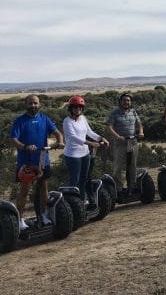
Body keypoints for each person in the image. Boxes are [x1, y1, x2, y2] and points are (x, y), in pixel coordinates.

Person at [10, 94, 65, 231]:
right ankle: (20, 220)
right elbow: (14, 140)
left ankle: (44, 215)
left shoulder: (44, 119)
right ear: (26, 104)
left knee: (43, 189)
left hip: (42, 160)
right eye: (30, 103)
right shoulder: (20, 121)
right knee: (25, 190)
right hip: (26, 163)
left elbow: (57, 133)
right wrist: (25, 147)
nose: (33, 105)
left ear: (39, 104)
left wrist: (60, 142)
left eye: (35, 103)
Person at [63, 96, 109, 203]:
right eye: (75, 107)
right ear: (70, 108)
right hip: (73, 155)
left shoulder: (83, 118)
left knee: (84, 178)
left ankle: (82, 200)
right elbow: (73, 137)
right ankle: (73, 202)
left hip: (85, 154)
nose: (77, 109)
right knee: (75, 180)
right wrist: (91, 143)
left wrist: (101, 138)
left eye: (79, 107)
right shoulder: (67, 121)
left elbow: (89, 132)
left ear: (82, 108)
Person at [106, 93, 144, 193]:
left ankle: (132, 186)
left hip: (133, 142)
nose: (126, 102)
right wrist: (117, 136)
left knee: (132, 165)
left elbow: (139, 124)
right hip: (120, 143)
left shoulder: (133, 112)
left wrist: (141, 132)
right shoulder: (115, 113)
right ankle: (118, 189)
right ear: (120, 101)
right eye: (124, 100)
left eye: (128, 100)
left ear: (130, 102)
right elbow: (109, 126)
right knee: (118, 166)